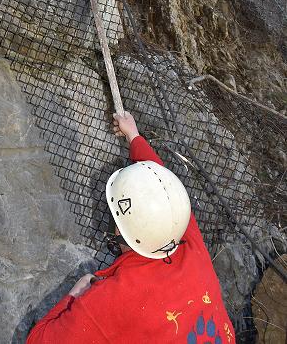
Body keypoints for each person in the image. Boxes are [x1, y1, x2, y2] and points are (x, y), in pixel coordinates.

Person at [27, 112, 236, 343]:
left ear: (121, 228)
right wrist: (133, 136)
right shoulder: (188, 239)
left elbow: (38, 340)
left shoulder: (115, 298)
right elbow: (160, 185)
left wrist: (76, 294)